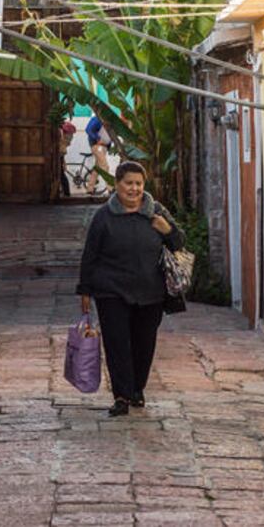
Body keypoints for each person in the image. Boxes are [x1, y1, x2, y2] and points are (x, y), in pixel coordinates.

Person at [76, 161, 186, 416]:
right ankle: (122, 395)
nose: (134, 189)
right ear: (117, 185)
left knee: (144, 343)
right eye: (129, 183)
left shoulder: (156, 212)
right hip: (111, 291)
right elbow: (90, 255)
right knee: (117, 344)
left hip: (151, 292)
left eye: (138, 184)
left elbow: (179, 242)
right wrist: (85, 290)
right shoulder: (104, 217)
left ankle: (137, 389)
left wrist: (166, 229)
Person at [84, 115, 112, 194]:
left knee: (97, 168)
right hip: (97, 146)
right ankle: (110, 188)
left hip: (104, 147)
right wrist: (97, 138)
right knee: (105, 166)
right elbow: (88, 129)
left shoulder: (109, 121)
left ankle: (90, 189)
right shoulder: (97, 119)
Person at [59, 121, 77, 197]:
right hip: (62, 151)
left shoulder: (61, 131)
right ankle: (65, 192)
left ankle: (66, 192)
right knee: (61, 173)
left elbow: (62, 142)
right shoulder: (65, 131)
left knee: (61, 174)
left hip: (60, 151)